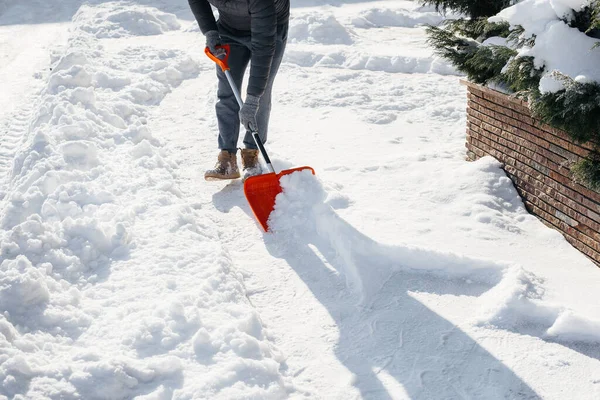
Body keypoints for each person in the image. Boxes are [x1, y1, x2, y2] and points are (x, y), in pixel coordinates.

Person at [188, 0, 289, 181]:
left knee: (261, 94)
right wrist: (210, 30)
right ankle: (227, 157)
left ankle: (251, 153)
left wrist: (251, 99)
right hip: (229, 30)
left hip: (270, 30)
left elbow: (263, 48)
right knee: (227, 90)